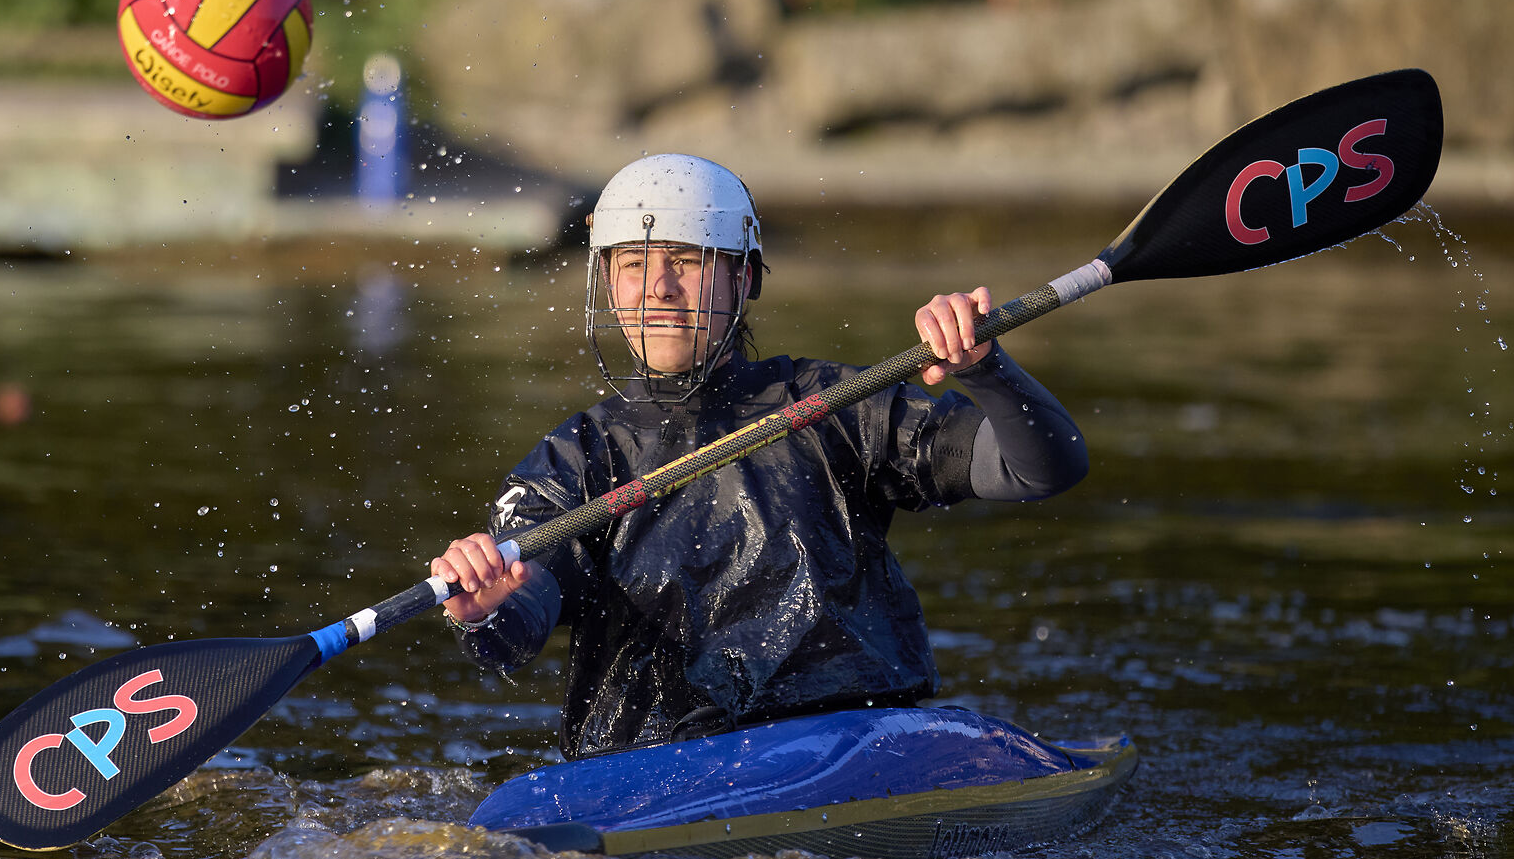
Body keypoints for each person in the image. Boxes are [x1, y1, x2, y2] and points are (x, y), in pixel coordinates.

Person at [430, 154, 1088, 760]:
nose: (658, 288)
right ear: (608, 281)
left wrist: (988, 371)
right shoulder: (573, 461)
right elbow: (515, 630)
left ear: (741, 276)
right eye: (634, 263)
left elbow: (1043, 468)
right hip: (653, 771)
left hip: (848, 745)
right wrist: (484, 607)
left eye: (685, 260)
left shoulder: (840, 406)